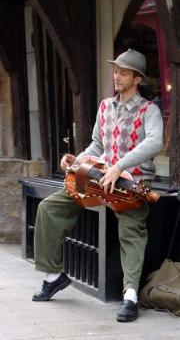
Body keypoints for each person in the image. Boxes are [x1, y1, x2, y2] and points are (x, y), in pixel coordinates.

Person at [32, 48, 163, 322]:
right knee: (49, 208)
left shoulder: (150, 110)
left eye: (123, 72)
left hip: (132, 182)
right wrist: (75, 161)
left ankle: (130, 296)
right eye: (115, 70)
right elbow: (97, 145)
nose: (116, 76)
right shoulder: (105, 106)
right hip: (98, 177)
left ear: (137, 78)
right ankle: (54, 275)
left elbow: (154, 143)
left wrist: (120, 166)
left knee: (131, 230)